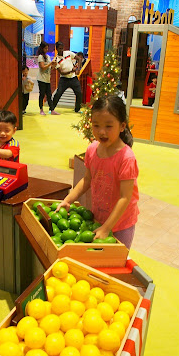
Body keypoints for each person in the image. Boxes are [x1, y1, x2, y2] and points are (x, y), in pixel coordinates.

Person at [56, 95, 139, 249]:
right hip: (98, 217)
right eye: (96, 125)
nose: (101, 132)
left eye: (108, 126)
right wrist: (68, 200)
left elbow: (125, 197)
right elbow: (87, 180)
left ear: (122, 126)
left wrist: (107, 228)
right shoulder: (92, 149)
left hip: (121, 224)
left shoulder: (126, 158)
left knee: (115, 259)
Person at [50, 41, 84, 114]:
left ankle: (77, 109)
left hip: (73, 78)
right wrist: (71, 71)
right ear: (56, 49)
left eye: (62, 48)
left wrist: (78, 69)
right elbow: (61, 72)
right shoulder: (56, 60)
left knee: (79, 93)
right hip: (64, 79)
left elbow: (79, 59)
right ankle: (51, 109)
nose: (61, 50)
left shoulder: (68, 53)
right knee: (58, 93)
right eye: (60, 48)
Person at [37, 42, 57, 116]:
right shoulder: (40, 57)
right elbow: (42, 67)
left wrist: (54, 65)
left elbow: (50, 68)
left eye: (47, 48)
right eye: (45, 48)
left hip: (47, 79)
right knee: (42, 94)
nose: (47, 49)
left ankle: (52, 110)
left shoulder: (48, 56)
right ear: (42, 48)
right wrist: (50, 63)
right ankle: (41, 109)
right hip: (41, 79)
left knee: (49, 95)